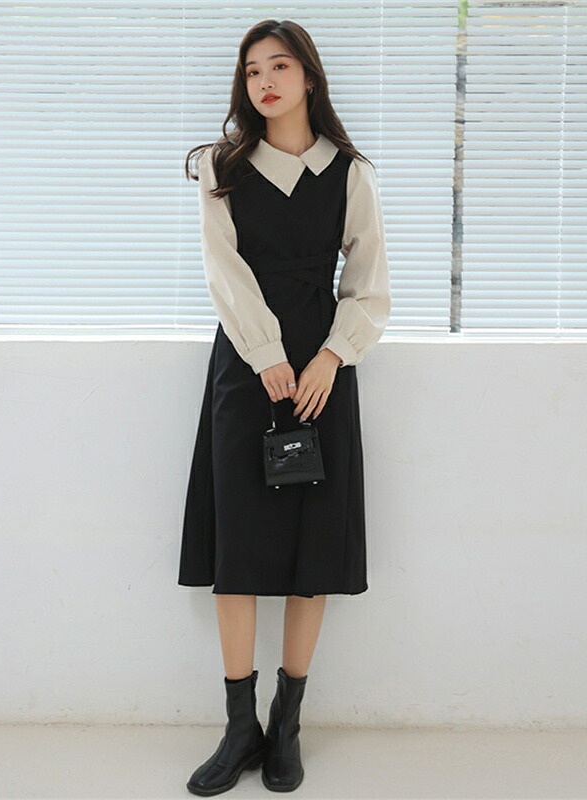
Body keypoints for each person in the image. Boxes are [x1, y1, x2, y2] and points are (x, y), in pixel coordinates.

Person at [178, 18, 391, 797]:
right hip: (246, 368)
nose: (264, 81)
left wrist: (332, 356)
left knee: (312, 551)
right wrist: (267, 353)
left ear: (309, 77)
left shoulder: (350, 173)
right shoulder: (222, 167)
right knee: (238, 546)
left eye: (279, 66)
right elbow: (223, 269)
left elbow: (369, 284)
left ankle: (286, 724)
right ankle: (240, 729)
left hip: (324, 373)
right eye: (252, 70)